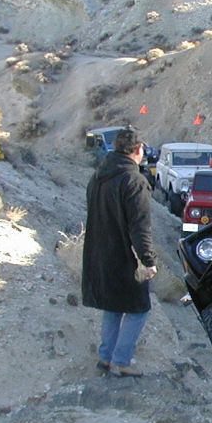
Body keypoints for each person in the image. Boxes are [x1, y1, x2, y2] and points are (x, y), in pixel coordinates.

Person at [82, 126, 158, 377]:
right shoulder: (134, 181)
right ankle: (121, 361)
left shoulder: (98, 176)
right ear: (137, 150)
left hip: (99, 252)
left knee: (113, 307)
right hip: (124, 256)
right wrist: (148, 260)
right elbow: (140, 226)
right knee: (139, 309)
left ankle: (105, 358)